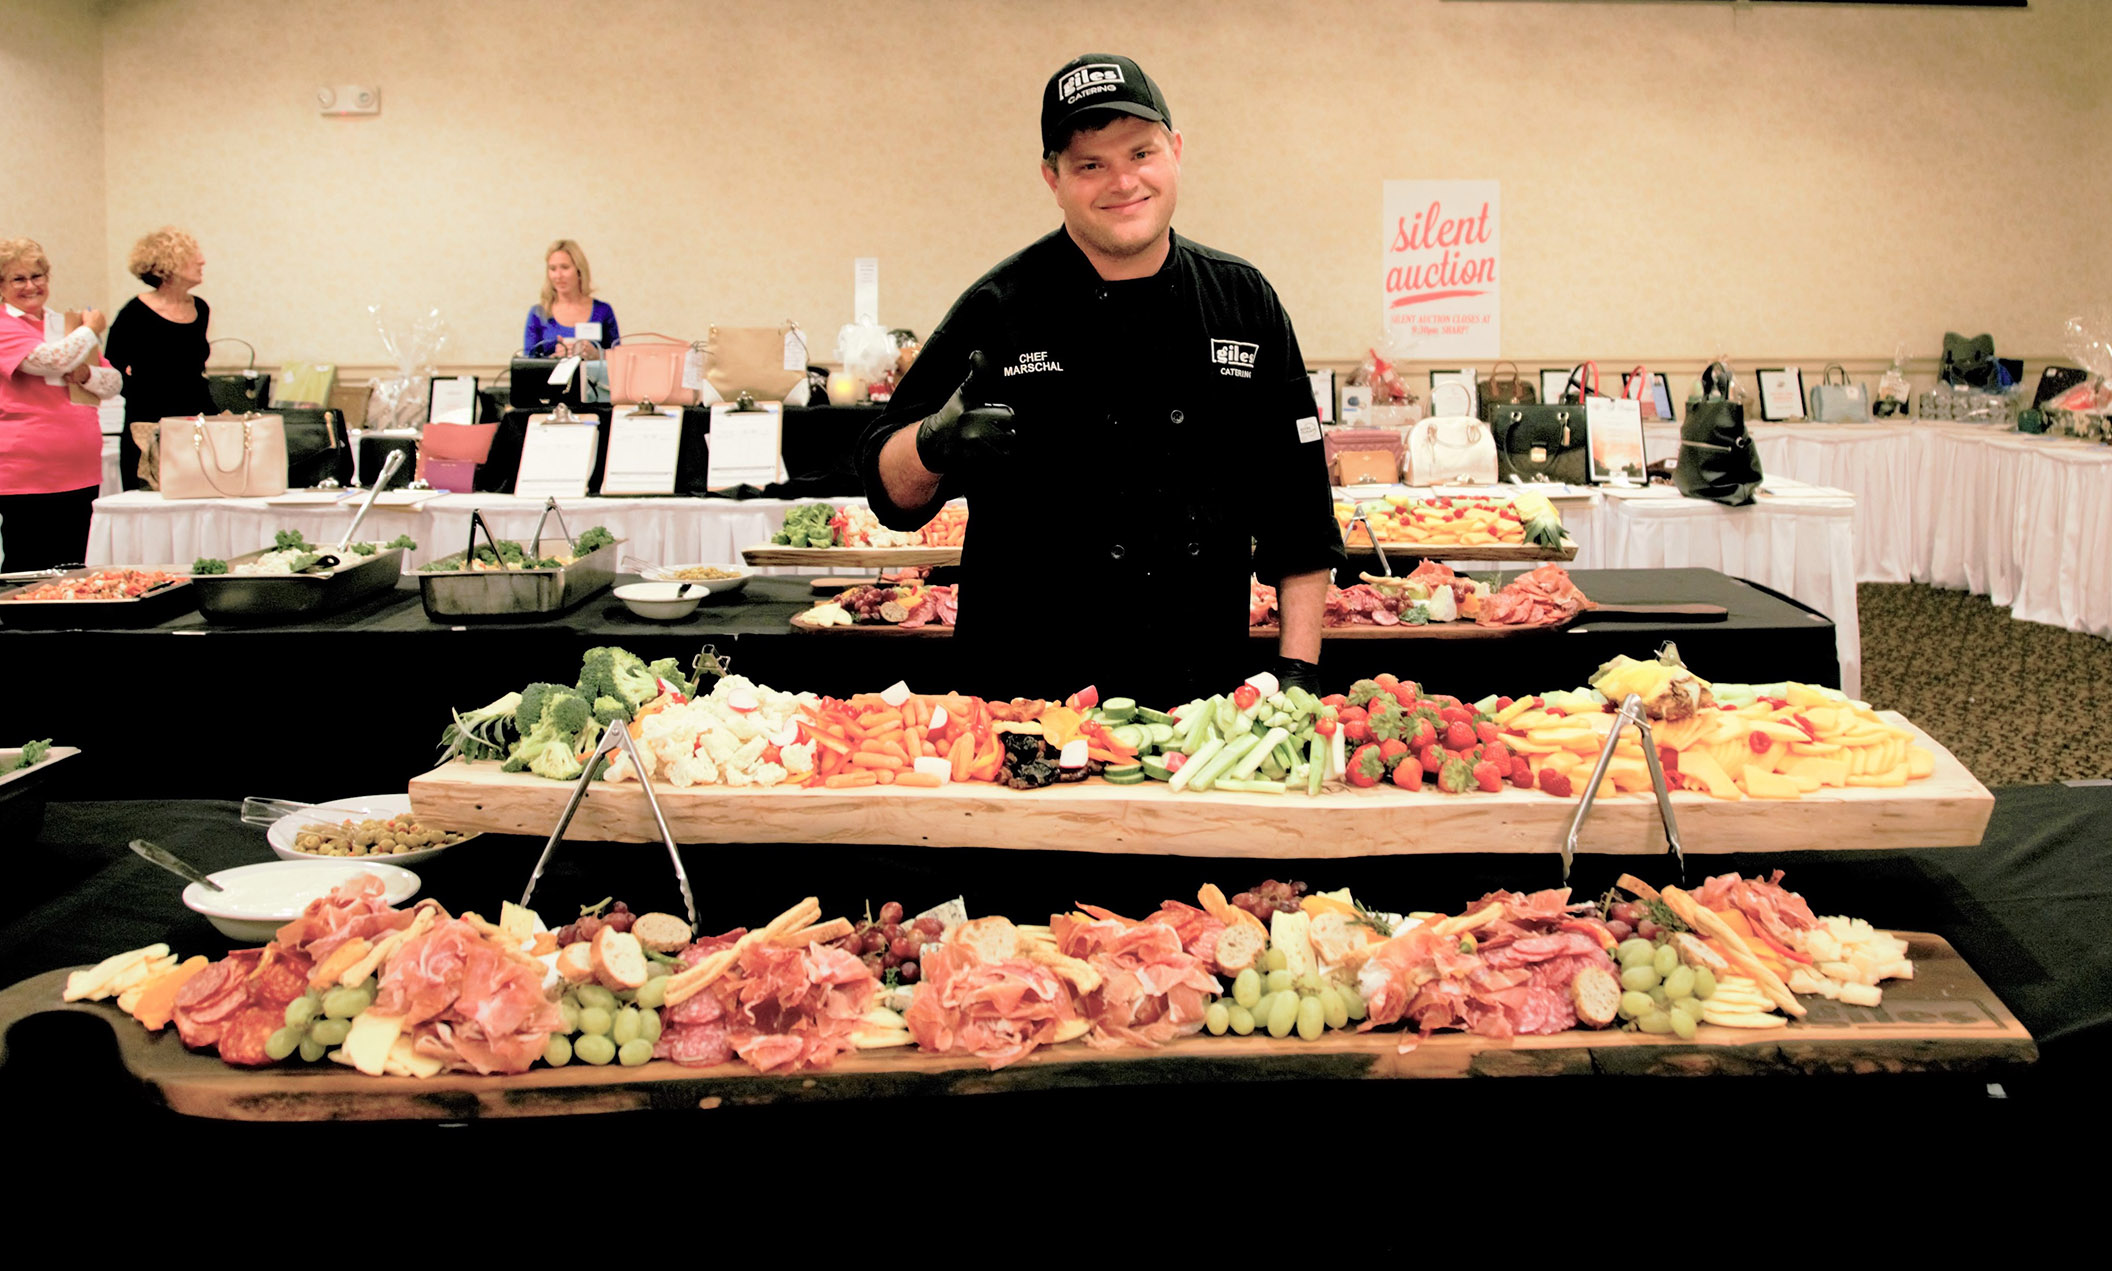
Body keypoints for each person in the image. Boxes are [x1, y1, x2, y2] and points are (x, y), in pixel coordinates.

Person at [859, 54, 1342, 707]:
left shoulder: (1243, 302)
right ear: (1053, 179)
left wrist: (1298, 669)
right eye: (1091, 164)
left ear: (1175, 151)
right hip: (1024, 703)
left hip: (1197, 707)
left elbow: (1300, 512)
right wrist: (932, 445)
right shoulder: (998, 307)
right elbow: (890, 493)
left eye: (1141, 153)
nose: (1123, 181)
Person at [0, 238, 122, 571]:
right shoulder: (4, 324)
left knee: (73, 569)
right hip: (28, 474)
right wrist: (91, 329)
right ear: (2, 286)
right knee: (30, 570)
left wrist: (85, 374)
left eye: (37, 276)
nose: (31, 286)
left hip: (81, 469)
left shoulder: (61, 325)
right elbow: (52, 360)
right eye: (18, 279)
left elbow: (113, 383)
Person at [104, 227, 215, 491]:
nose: (202, 261)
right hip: (149, 426)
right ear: (169, 264)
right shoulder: (134, 312)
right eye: (192, 256)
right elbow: (112, 367)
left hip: (195, 420)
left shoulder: (200, 308)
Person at [523, 239, 619, 358]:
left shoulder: (603, 311)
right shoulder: (538, 313)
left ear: (579, 270)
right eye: (553, 269)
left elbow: (618, 358)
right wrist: (553, 359)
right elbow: (527, 362)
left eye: (564, 267)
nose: (558, 276)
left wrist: (596, 355)